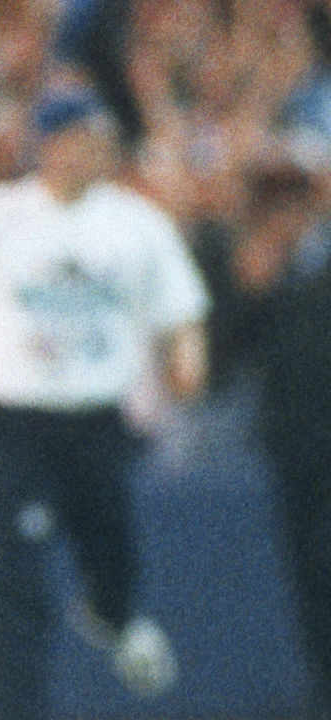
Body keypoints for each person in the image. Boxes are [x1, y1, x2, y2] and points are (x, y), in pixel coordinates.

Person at [0, 88, 210, 719]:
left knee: (114, 550)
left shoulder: (135, 220)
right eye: (86, 136)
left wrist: (188, 361)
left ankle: (112, 611)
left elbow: (180, 306)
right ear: (51, 144)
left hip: (96, 416)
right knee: (21, 569)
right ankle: (17, 708)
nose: (100, 150)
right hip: (12, 420)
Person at [227, 161, 331, 712]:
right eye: (274, 205)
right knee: (312, 572)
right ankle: (322, 690)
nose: (285, 216)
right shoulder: (252, 268)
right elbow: (224, 357)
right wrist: (250, 291)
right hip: (295, 447)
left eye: (295, 202)